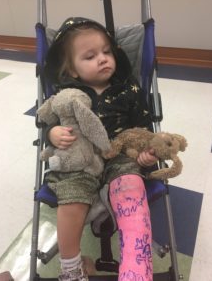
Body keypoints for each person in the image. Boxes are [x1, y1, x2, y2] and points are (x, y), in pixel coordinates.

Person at [44, 17, 158, 281]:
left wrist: (147, 152)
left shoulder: (128, 90)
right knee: (70, 196)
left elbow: (144, 128)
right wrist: (52, 133)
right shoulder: (66, 94)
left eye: (107, 52)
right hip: (79, 161)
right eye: (90, 56)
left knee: (132, 185)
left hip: (121, 158)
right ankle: (72, 269)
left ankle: (136, 271)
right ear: (72, 70)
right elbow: (46, 122)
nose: (103, 59)